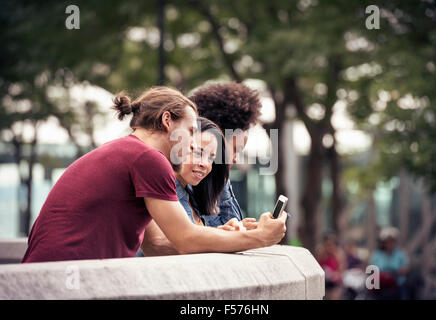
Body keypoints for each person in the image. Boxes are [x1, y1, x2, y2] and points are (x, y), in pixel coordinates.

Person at [22, 86, 287, 263]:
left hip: (52, 273)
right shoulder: (149, 159)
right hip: (68, 279)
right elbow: (186, 240)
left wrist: (228, 236)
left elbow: (161, 242)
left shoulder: (129, 151)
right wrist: (261, 237)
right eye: (192, 130)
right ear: (167, 121)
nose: (195, 142)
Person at [139, 117, 256, 256]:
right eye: (198, 153)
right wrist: (231, 237)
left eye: (211, 158)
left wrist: (232, 232)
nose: (205, 164)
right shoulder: (159, 191)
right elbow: (164, 245)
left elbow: (229, 231)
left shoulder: (196, 193)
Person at [189, 82, 262, 227]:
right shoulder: (185, 179)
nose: (236, 158)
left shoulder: (215, 178)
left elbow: (232, 223)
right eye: (236, 149)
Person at [370, 227, 409, 300]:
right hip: (381, 287)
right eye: (387, 241)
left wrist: (393, 273)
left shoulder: (400, 254)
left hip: (397, 286)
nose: (390, 243)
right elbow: (372, 270)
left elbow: (405, 269)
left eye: (392, 241)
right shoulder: (377, 255)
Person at [317, 233, 347, 300]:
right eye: (327, 245)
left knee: (334, 295)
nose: (329, 247)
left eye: (330, 245)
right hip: (324, 282)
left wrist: (335, 275)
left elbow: (341, 271)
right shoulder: (321, 254)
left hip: (335, 283)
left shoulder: (339, 254)